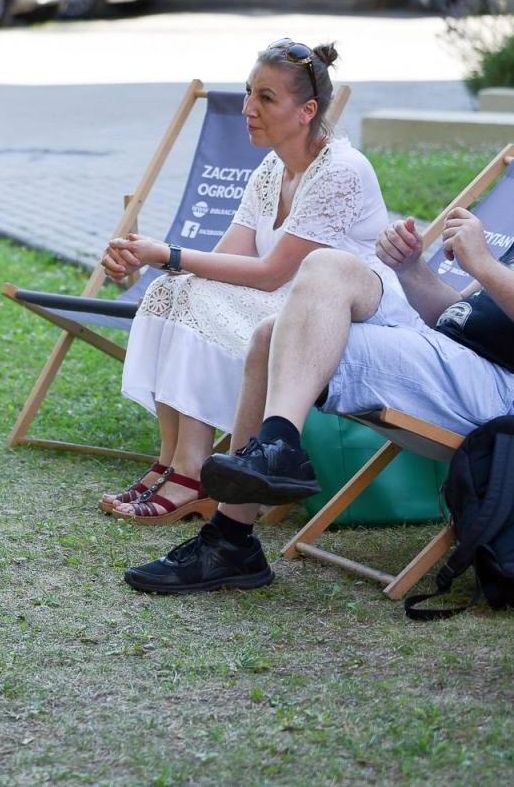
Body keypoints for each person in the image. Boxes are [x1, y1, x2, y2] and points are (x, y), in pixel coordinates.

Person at [123, 91, 514, 593]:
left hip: (504, 397)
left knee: (290, 318)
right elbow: (463, 313)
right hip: (449, 356)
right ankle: (257, 486)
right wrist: (414, 270)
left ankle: (240, 521)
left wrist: (486, 265)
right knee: (295, 308)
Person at [97, 40, 418, 524]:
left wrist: (169, 253)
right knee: (172, 290)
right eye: (249, 93)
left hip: (339, 321)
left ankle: (193, 473)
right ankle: (170, 462)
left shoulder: (341, 171)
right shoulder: (274, 168)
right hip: (284, 303)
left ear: (307, 110)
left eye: (266, 98)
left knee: (192, 294)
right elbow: (229, 258)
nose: (248, 108)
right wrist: (154, 262)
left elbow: (273, 273)